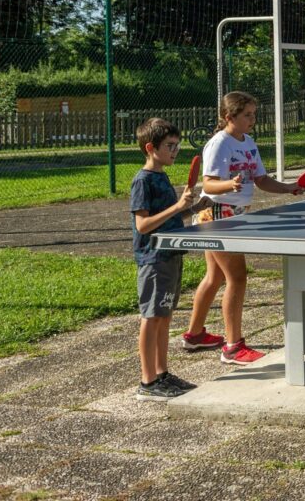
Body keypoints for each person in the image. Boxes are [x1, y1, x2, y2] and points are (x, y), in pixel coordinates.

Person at [182, 91, 305, 364]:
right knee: (237, 278)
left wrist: (288, 188)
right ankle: (233, 347)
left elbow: (261, 179)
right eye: (247, 115)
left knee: (215, 277)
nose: (253, 119)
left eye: (253, 114)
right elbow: (209, 184)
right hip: (217, 214)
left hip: (235, 214)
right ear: (230, 117)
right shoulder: (219, 144)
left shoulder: (248, 142)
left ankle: (194, 335)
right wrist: (230, 184)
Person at [130, 118, 199, 400]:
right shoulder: (143, 180)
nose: (175, 151)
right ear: (151, 148)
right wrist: (178, 206)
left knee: (164, 315)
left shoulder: (161, 176)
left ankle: (162, 374)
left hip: (170, 254)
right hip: (153, 258)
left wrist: (194, 208)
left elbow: (168, 219)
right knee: (151, 317)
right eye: (170, 146)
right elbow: (143, 225)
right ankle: (148, 382)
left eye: (177, 145)